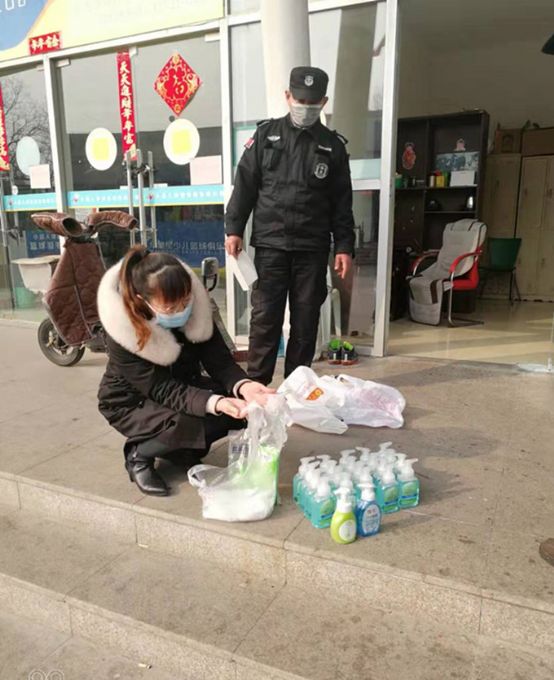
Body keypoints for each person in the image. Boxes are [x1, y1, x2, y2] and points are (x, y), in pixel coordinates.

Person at [97, 246, 274, 497]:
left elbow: (219, 361)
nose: (181, 311)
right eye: (170, 308)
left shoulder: (197, 310)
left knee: (240, 409)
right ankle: (139, 455)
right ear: (140, 299)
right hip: (130, 400)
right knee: (189, 419)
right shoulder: (123, 331)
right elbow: (161, 389)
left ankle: (177, 450)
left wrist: (244, 386)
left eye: (185, 301)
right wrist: (215, 402)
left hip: (180, 382)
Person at [225, 65, 355, 386]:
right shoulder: (266, 136)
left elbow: (342, 202)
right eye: (300, 100)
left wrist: (344, 246)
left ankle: (296, 388)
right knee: (264, 320)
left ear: (323, 102)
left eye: (312, 103)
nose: (305, 107)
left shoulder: (333, 146)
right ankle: (257, 387)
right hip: (271, 246)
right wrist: (234, 228)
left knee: (306, 321)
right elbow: (245, 185)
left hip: (312, 249)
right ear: (287, 96)